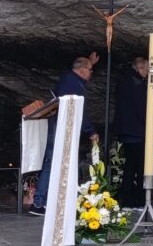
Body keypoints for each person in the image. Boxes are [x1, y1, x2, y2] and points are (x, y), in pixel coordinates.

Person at [29, 53, 100, 216]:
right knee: (52, 163)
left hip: (60, 127)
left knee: (52, 163)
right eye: (90, 70)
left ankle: (45, 201)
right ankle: (40, 202)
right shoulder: (72, 84)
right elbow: (77, 110)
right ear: (82, 70)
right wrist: (90, 131)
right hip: (61, 129)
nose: (91, 73)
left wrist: (91, 63)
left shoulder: (70, 79)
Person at [114, 56, 148, 209]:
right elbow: (141, 108)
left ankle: (127, 200)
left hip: (125, 129)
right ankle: (141, 200)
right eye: (147, 69)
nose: (147, 73)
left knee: (129, 166)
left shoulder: (123, 80)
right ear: (140, 68)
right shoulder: (137, 83)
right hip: (137, 130)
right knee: (141, 166)